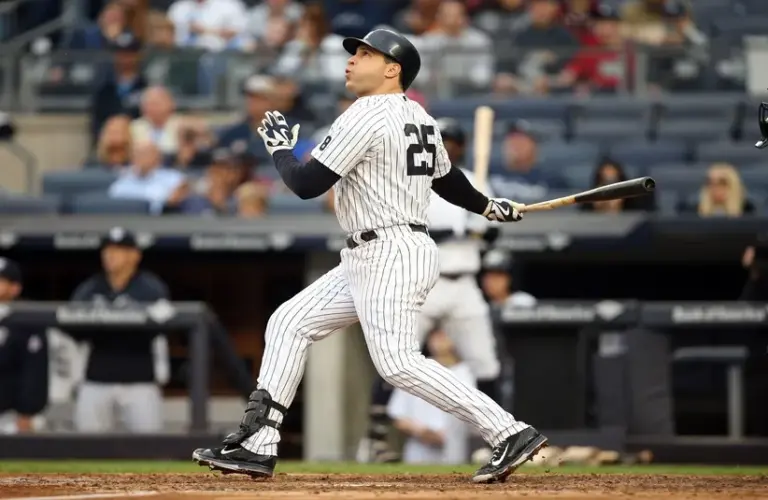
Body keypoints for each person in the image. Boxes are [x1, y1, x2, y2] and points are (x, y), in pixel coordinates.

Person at [192, 28, 546, 485]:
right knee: (289, 322)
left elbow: (305, 185)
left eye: (364, 54)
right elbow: (447, 179)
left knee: (397, 363)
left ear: (392, 69)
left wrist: (279, 148)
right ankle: (260, 441)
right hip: (373, 252)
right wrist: (487, 205)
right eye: (354, 53)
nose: (351, 61)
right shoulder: (418, 114)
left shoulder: (366, 114)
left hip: (390, 251)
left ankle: (508, 431)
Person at [357, 117, 503, 463]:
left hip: (465, 283)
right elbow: (409, 230)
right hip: (423, 280)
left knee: (486, 364)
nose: (448, 146)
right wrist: (455, 229)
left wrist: (478, 227)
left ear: (462, 146)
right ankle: (375, 440)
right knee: (394, 357)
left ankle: (496, 439)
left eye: (453, 141)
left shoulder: (476, 180)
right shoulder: (411, 181)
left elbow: (492, 232)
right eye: (443, 139)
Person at [69, 228, 171, 433]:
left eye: (119, 250)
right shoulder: (90, 288)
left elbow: (161, 328)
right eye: (107, 250)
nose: (110, 255)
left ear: (135, 255)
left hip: (140, 381)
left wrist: (108, 323)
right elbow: (73, 328)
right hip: (96, 378)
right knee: (87, 448)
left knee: (149, 449)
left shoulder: (151, 288)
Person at [387, 329, 475, 464]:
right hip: (418, 452)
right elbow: (398, 415)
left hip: (453, 451)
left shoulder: (466, 372)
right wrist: (422, 432)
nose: (440, 340)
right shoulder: (413, 370)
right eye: (435, 336)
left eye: (444, 335)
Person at [0, 258, 48, 434]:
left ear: (15, 288)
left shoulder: (27, 320)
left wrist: (27, 411)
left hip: (9, 414)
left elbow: (34, 370)